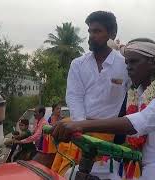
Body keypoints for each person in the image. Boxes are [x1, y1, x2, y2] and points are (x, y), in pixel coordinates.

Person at [52, 38, 155, 180]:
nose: (128, 67)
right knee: (71, 173)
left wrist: (79, 125)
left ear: (152, 62)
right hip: (131, 159)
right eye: (127, 63)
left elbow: (137, 124)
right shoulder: (135, 93)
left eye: (133, 62)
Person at [51, 11, 129, 175]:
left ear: (112, 34)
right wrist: (80, 125)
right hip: (78, 130)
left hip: (106, 134)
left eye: (97, 31)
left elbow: (137, 97)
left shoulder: (125, 65)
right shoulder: (78, 64)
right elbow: (74, 96)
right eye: (90, 31)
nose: (91, 36)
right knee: (66, 173)